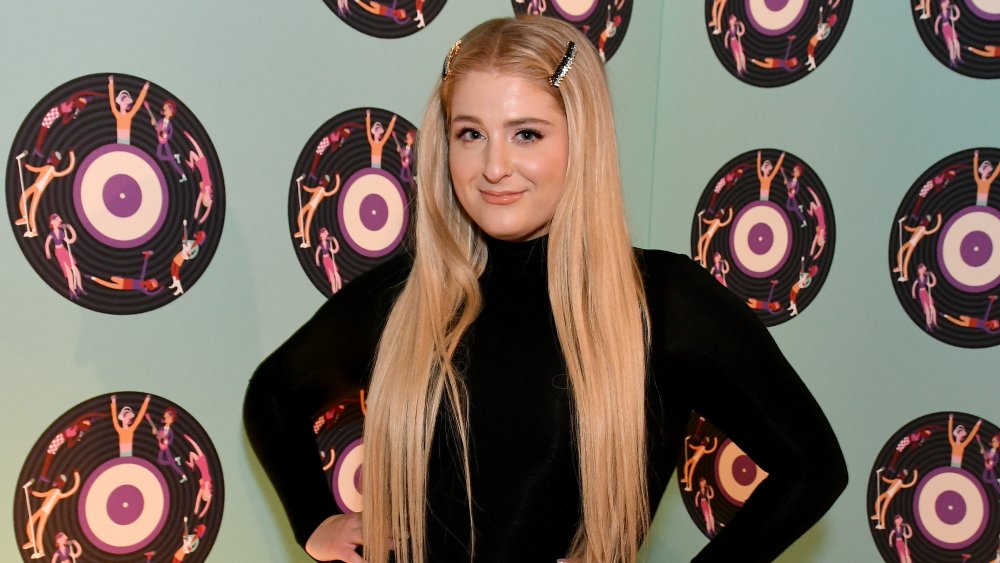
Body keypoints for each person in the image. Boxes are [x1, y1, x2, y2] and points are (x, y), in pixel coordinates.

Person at [244, 16, 846, 563]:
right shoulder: (407, 296)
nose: (494, 167)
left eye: (526, 134)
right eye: (470, 134)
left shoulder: (663, 302)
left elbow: (812, 468)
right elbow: (273, 394)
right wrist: (313, 518)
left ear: (580, 140)